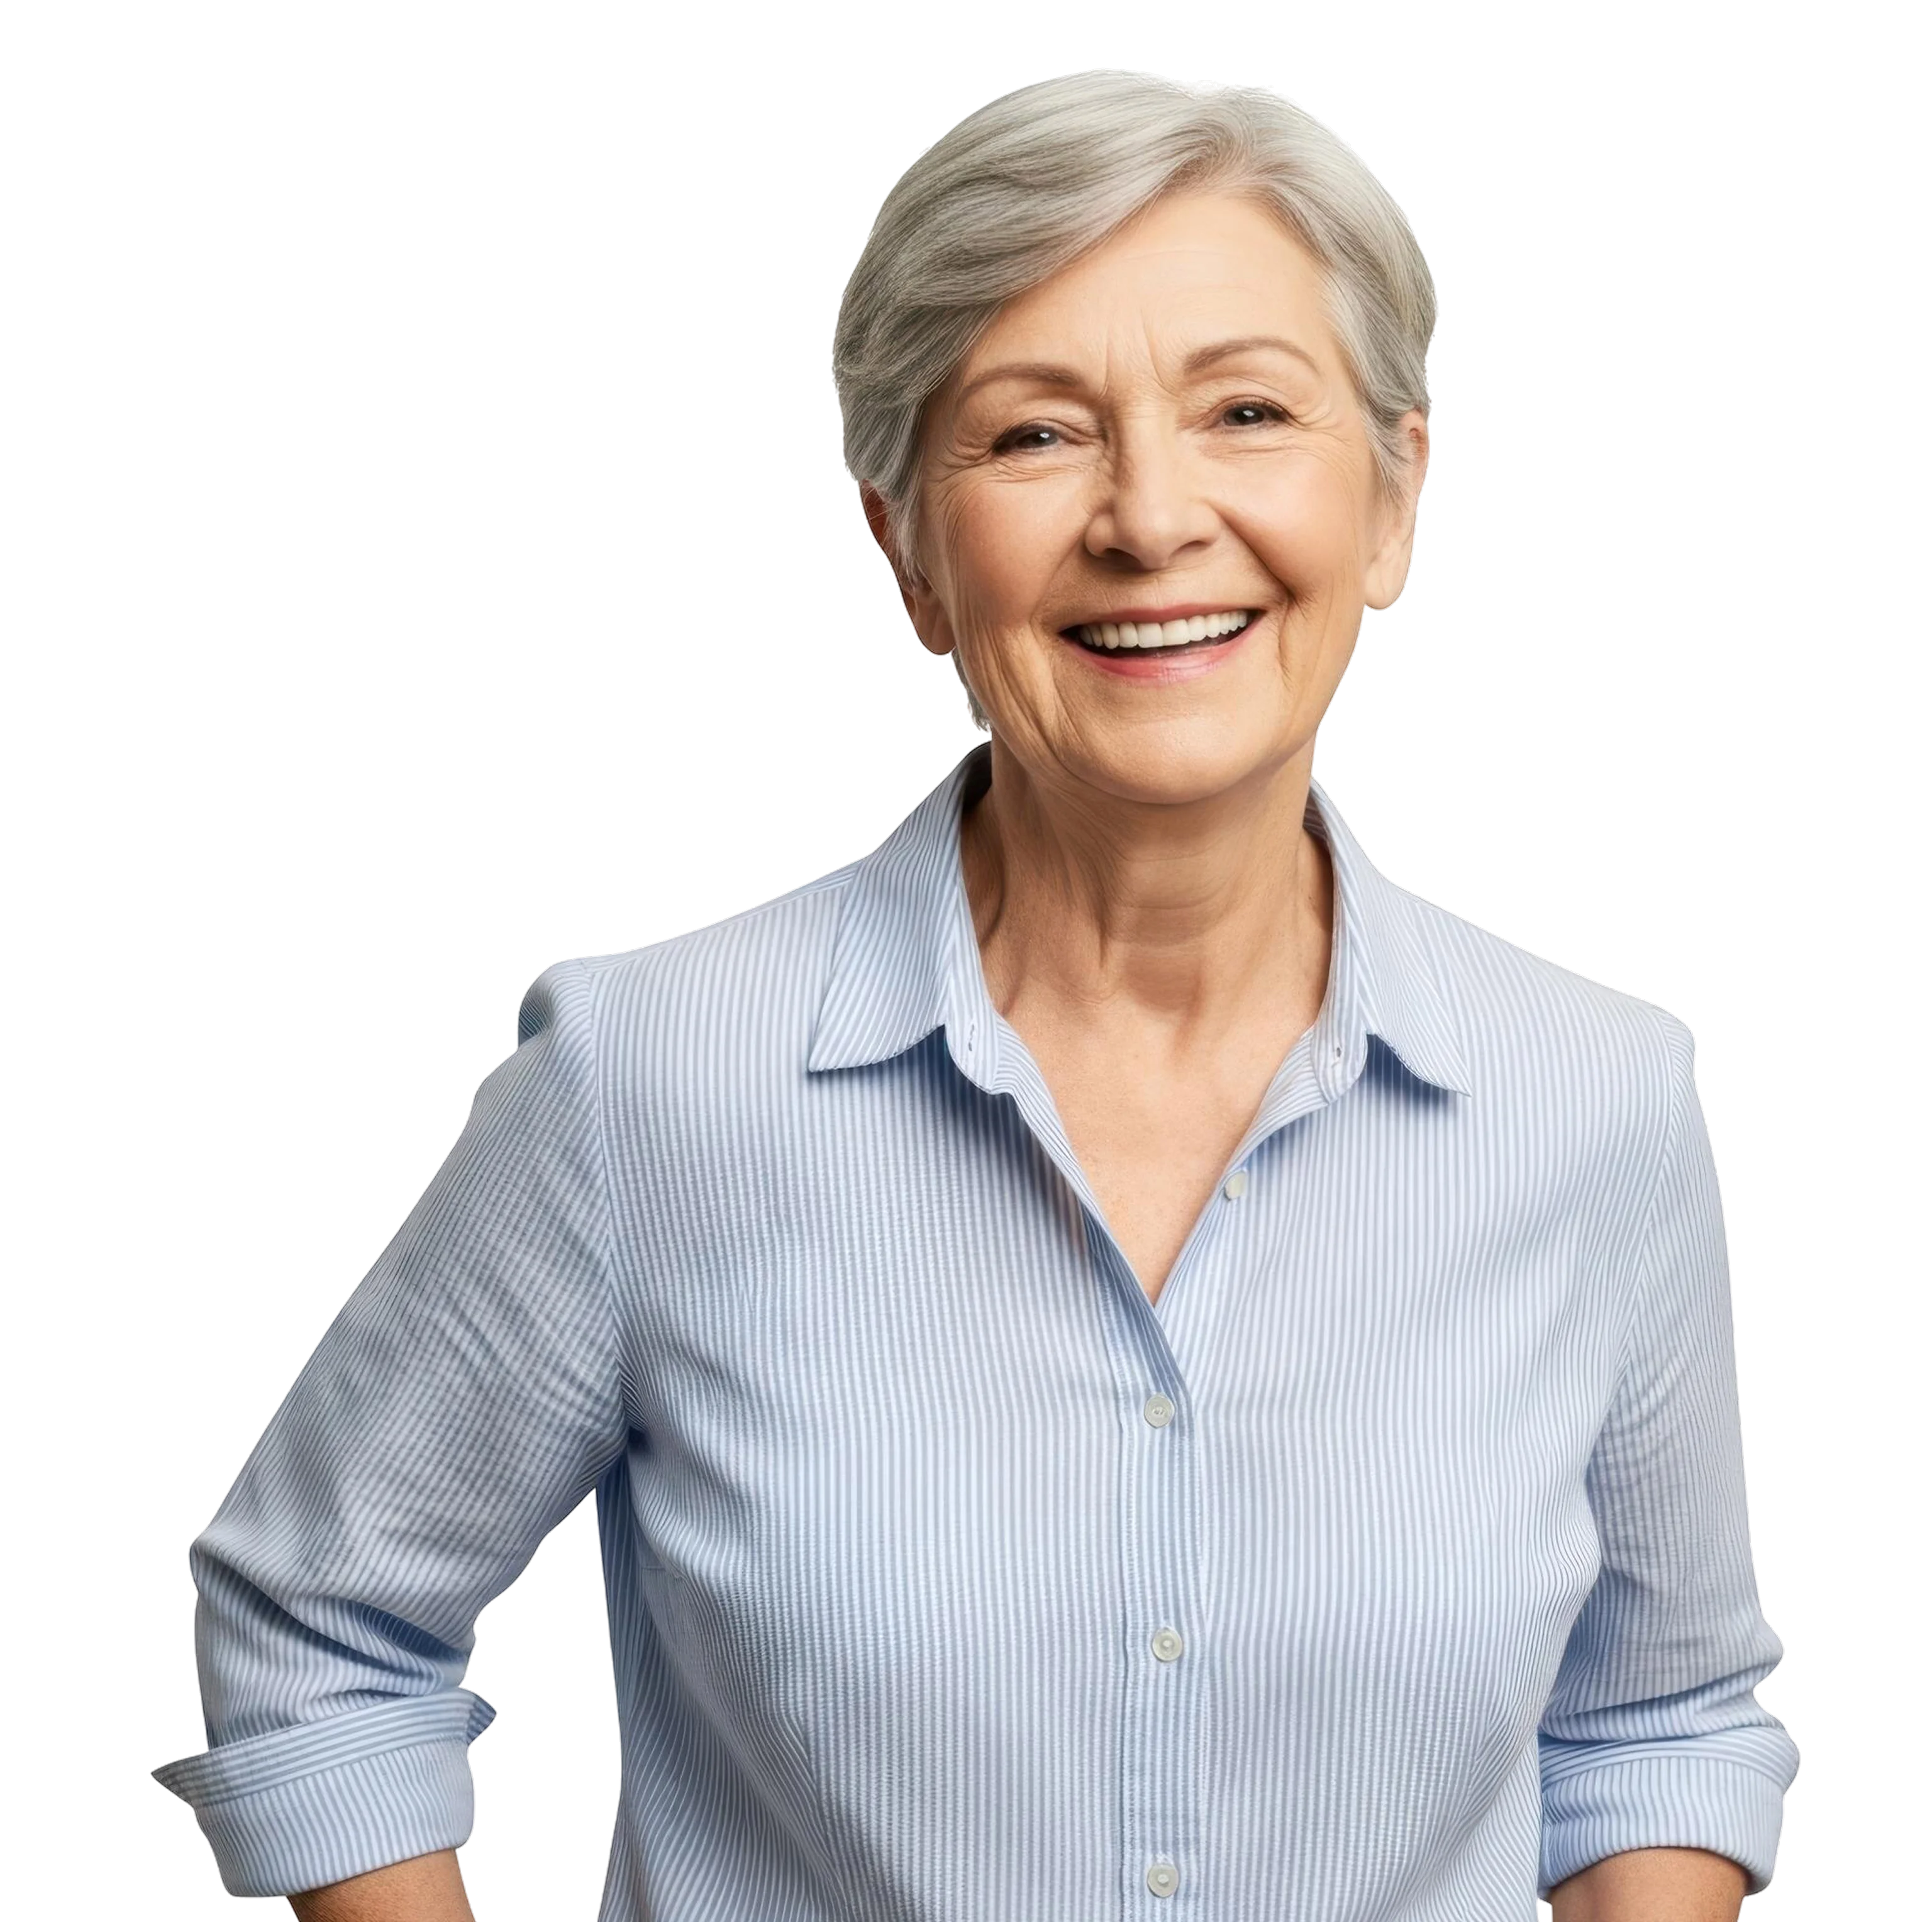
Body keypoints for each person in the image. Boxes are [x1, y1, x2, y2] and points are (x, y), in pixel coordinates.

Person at [150, 68, 1798, 1920]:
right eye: (1033, 439)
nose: (1152, 519)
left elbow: (1654, 1720)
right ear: (906, 550)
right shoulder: (648, 1078)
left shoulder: (1599, 1095)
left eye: (1248, 410)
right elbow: (322, 1629)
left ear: (1398, 494)